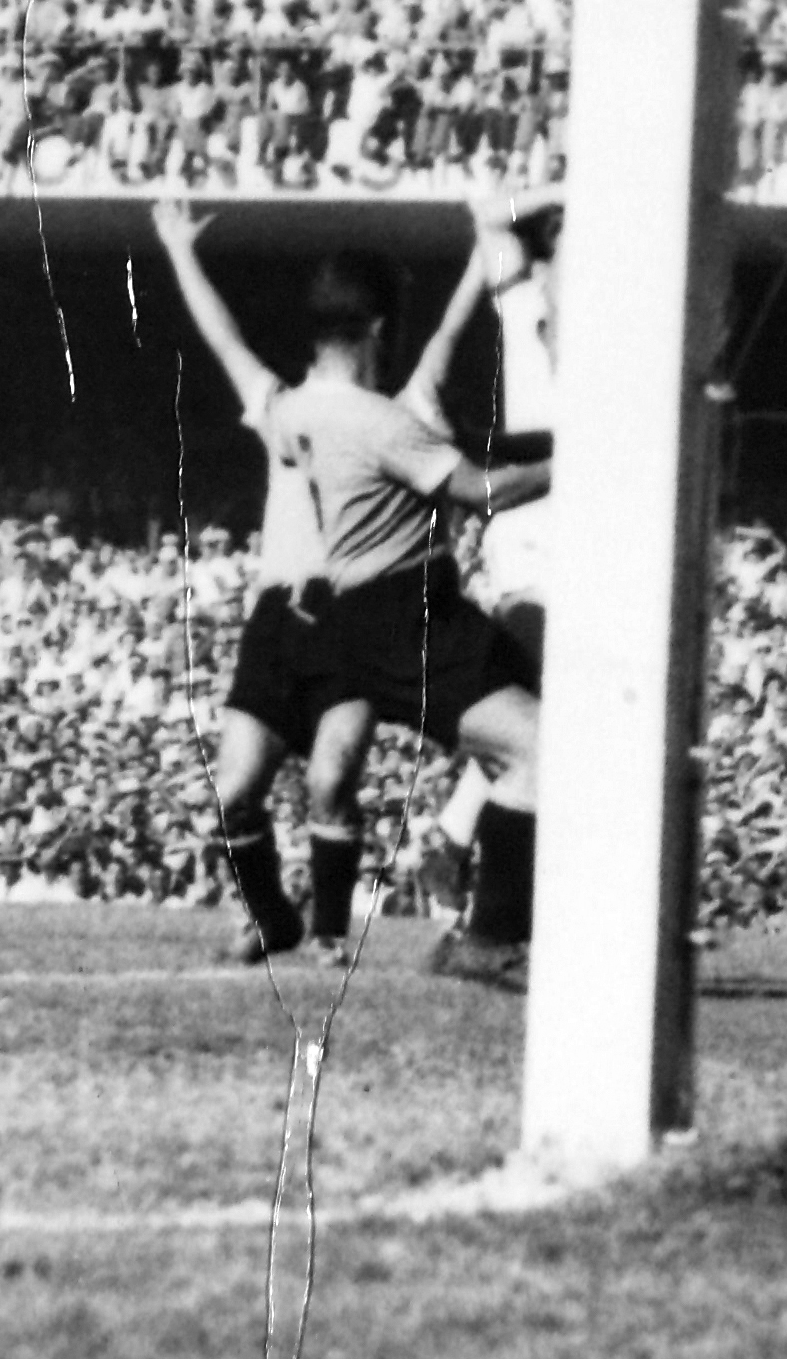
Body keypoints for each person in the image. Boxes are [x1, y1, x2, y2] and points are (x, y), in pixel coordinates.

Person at [151, 198, 556, 986]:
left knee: (338, 776)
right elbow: (226, 338)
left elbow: (434, 339)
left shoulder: (307, 412)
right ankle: (297, 913)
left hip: (353, 611)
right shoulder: (328, 415)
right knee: (242, 788)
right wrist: (178, 254)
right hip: (325, 609)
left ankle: (345, 928)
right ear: (376, 329)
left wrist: (481, 257)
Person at [398, 185, 563, 917]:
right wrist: (574, 184)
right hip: (538, 526)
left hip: (566, 527)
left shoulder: (580, 318)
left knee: (551, 709)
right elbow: (489, 210)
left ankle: (451, 841)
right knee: (544, 709)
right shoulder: (529, 315)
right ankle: (456, 847)